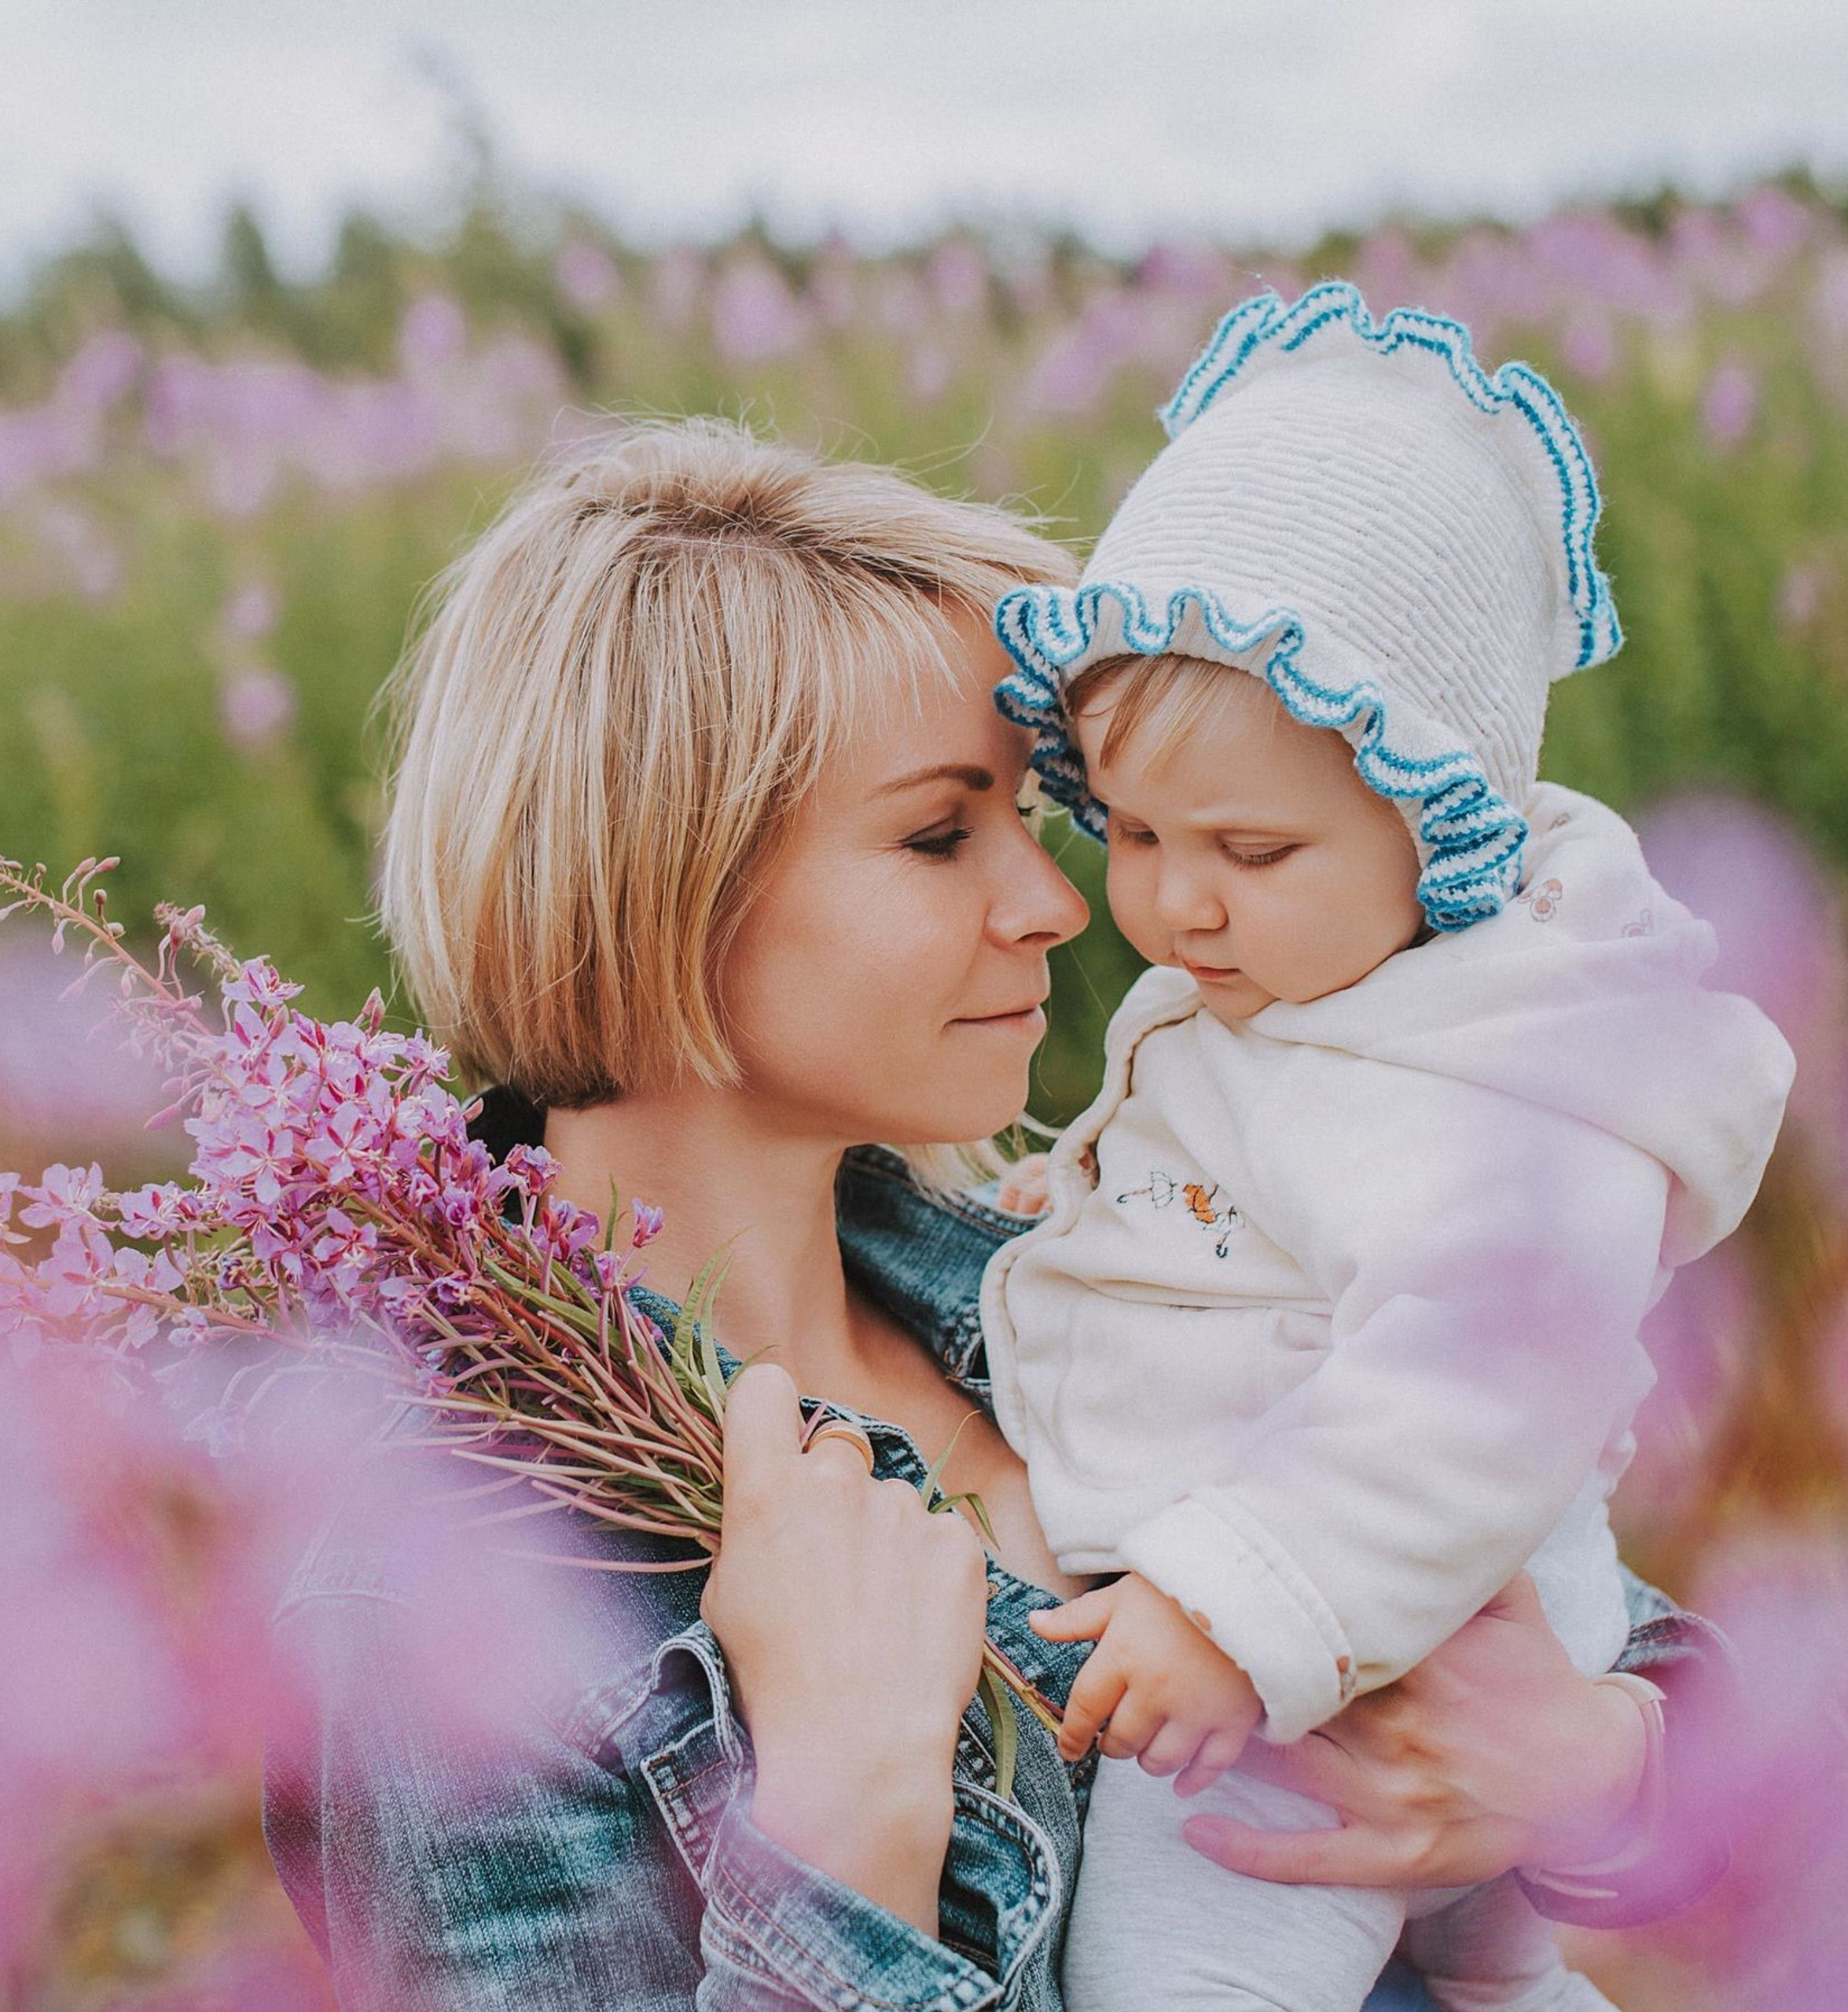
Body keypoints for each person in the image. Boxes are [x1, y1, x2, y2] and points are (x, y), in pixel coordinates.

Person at [263, 414, 1739, 2012]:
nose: (1052, 904)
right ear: (657, 872)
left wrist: (1593, 1767)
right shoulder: (447, 1572)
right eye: (933, 832)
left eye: (1035, 823)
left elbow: (1609, 1645)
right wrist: (840, 1839)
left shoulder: (1062, 1271)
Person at [980, 284, 1794, 2010]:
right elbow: (1227, 1180)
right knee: (1499, 1985)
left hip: (1341, 1647)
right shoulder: (1312, 983)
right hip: (1376, 1623)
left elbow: (1483, 1383)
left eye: (1249, 847)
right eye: (1126, 828)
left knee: (1174, 1971)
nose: (1167, 897)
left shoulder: (1489, 1080)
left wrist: (1232, 1606)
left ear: (1437, 831)